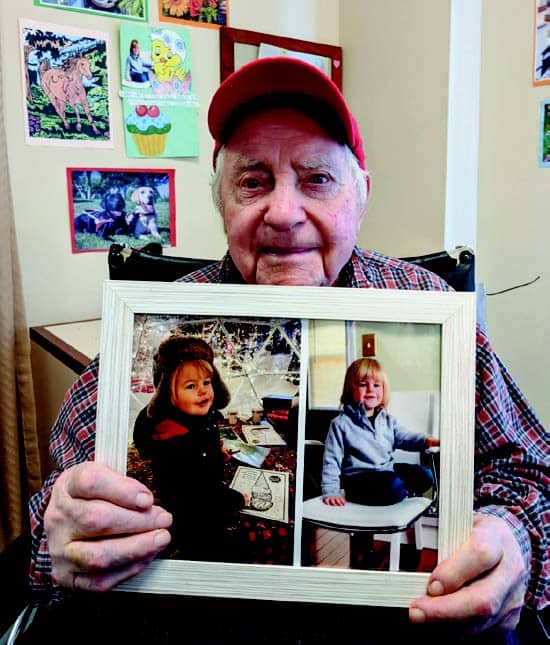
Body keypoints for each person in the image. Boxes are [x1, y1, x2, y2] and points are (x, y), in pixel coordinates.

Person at [27, 57, 547, 642]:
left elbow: (530, 468)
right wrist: (61, 539)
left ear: (363, 194)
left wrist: (514, 538)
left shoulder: (428, 303)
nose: (282, 213)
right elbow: (60, 504)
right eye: (252, 181)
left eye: (317, 179)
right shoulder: (161, 321)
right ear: (221, 201)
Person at [132, 335, 247, 562]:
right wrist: (235, 499)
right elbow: (200, 491)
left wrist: (216, 453)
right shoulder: (173, 439)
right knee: (211, 542)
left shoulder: (197, 417)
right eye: (191, 386)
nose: (203, 391)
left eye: (207, 382)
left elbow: (204, 444)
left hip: (202, 489)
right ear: (167, 393)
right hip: (190, 510)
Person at [321, 358, 440, 507]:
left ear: (383, 390)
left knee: (425, 476)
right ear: (350, 388)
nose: (370, 389)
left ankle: (399, 491)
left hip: (386, 472)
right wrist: (330, 491)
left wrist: (428, 441)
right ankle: (400, 492)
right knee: (394, 485)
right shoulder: (340, 424)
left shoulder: (388, 421)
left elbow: (406, 438)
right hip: (359, 480)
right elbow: (331, 461)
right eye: (363, 384)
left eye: (376, 385)